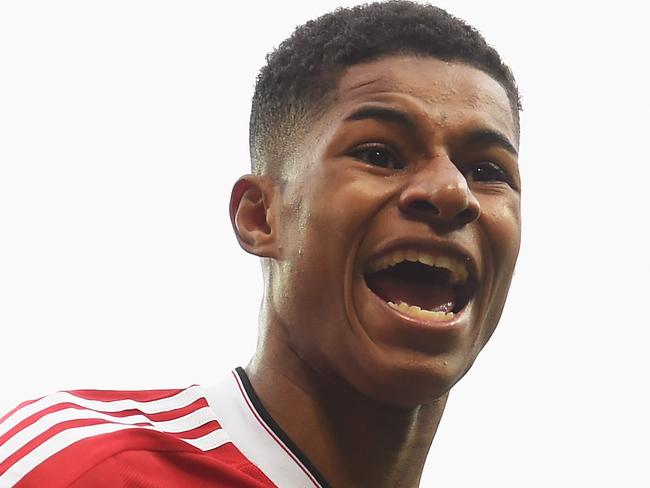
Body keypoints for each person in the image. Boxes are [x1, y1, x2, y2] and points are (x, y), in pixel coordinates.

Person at [0, 1, 521, 486]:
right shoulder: (81, 466)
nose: (453, 192)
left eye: (486, 170)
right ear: (260, 216)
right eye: (380, 155)